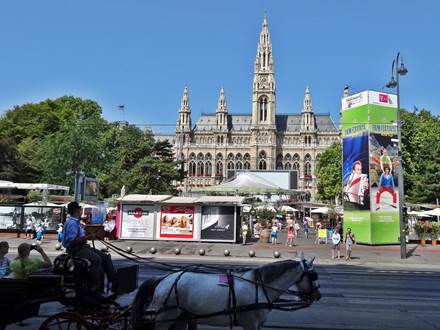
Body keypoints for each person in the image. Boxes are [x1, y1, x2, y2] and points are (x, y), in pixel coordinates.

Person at [62, 202, 118, 297]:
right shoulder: (72, 223)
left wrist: (87, 233)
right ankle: (94, 286)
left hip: (83, 247)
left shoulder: (76, 223)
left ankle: (115, 283)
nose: (81, 212)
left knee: (105, 257)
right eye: (80, 210)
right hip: (76, 249)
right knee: (96, 259)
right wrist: (88, 237)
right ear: (77, 211)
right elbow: (73, 240)